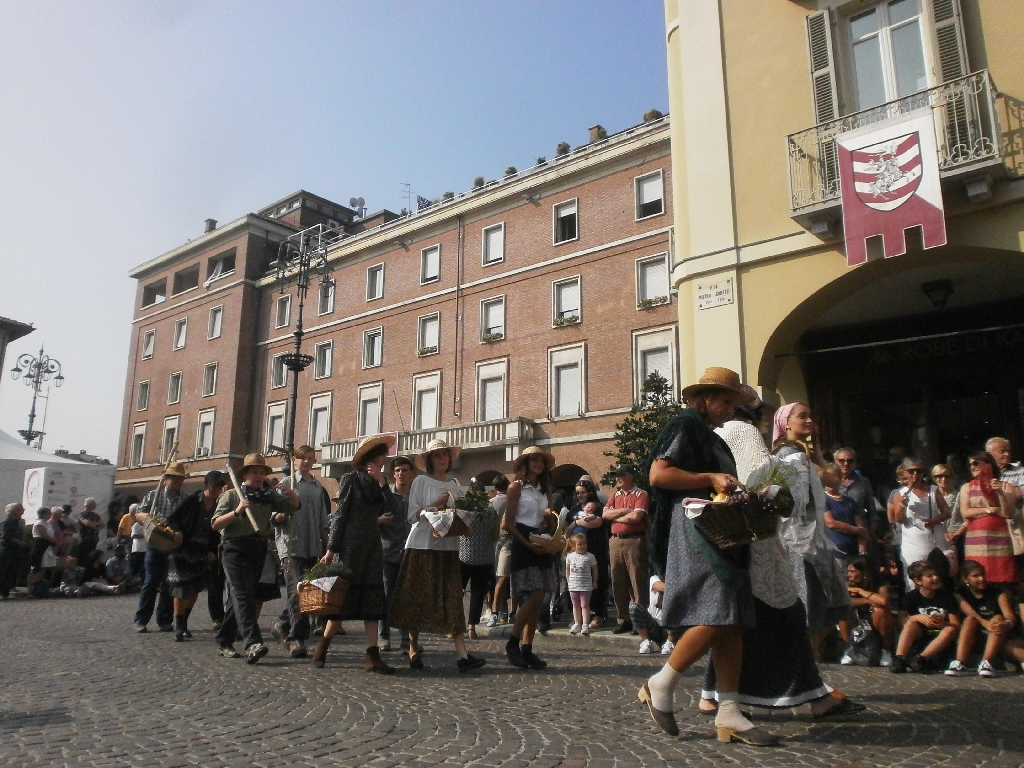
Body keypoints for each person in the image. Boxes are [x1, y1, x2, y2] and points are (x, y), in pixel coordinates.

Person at [639, 367, 779, 746]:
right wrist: (709, 478)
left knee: (732, 620)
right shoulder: (684, 425)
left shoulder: (712, 437)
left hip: (719, 532)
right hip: (695, 532)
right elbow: (658, 475)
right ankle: (661, 682)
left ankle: (729, 711)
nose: (731, 409)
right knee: (719, 612)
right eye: (726, 401)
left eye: (734, 402)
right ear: (704, 399)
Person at [701, 390, 861, 720]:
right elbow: (761, 483)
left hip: (735, 540)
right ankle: (812, 694)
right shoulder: (744, 433)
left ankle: (713, 694)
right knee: (789, 616)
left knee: (738, 623)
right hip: (766, 542)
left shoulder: (714, 434)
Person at [390, 439, 486, 673]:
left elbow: (456, 514)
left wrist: (465, 521)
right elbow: (412, 515)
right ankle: (413, 648)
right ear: (430, 460)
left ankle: (462, 656)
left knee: (453, 600)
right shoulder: (420, 481)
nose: (442, 459)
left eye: (445, 455)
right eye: (437, 455)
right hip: (422, 546)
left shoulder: (454, 484)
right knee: (418, 597)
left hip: (448, 548)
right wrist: (435, 504)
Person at [772, 402, 852, 657]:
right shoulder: (789, 454)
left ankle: (809, 662)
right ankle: (806, 662)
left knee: (820, 606)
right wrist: (813, 459)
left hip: (810, 539)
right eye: (802, 416)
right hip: (797, 540)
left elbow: (833, 479)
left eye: (810, 416)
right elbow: (830, 479)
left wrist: (815, 454)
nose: (809, 420)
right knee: (809, 606)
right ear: (786, 423)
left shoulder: (802, 453)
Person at [312, 436, 397, 673]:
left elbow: (394, 509)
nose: (385, 458)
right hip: (351, 545)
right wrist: (331, 549)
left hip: (372, 545)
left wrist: (383, 482)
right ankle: (322, 646)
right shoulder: (350, 478)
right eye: (383, 454)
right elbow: (341, 515)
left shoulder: (380, 481)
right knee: (343, 600)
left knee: (372, 601)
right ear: (372, 456)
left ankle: (372, 656)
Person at [212, 454, 299, 664]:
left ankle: (224, 640)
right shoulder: (232, 495)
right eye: (254, 472)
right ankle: (253, 643)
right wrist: (237, 511)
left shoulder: (268, 495)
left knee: (242, 596)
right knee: (243, 595)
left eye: (261, 473)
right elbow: (215, 524)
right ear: (245, 474)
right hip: (234, 548)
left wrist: (291, 493)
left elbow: (293, 507)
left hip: (258, 547)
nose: (259, 476)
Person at [501, 446, 559, 671]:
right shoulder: (516, 487)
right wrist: (527, 544)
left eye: (541, 461)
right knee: (535, 594)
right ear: (525, 464)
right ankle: (512, 642)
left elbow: (550, 522)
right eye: (533, 460)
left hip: (541, 539)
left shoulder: (545, 489)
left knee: (539, 597)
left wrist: (550, 521)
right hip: (523, 541)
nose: (538, 464)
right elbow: (507, 524)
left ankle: (527, 647)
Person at [273, 446, 332, 659]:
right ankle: (296, 637)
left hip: (312, 545)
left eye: (310, 458)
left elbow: (323, 519)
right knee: (296, 590)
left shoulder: (317, 487)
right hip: (291, 545)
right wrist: (281, 515)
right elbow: (274, 516)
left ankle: (282, 624)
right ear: (294, 461)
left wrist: (328, 545)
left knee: (306, 593)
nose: (306, 462)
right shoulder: (286, 483)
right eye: (303, 458)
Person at [164, 470, 227, 642]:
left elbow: (218, 531)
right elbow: (173, 519)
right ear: (207, 485)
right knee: (181, 588)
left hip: (202, 551)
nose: (217, 490)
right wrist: (177, 533)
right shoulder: (192, 500)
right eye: (215, 487)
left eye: (220, 487)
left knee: (195, 589)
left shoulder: (219, 505)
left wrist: (212, 550)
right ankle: (179, 626)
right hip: (183, 549)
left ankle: (184, 621)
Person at [133, 462, 188, 632]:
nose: (178, 481)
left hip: (173, 545)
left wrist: (180, 533)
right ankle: (141, 620)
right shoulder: (153, 495)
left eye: (180, 478)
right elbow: (138, 514)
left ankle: (164, 619)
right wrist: (147, 518)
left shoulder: (185, 498)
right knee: (151, 581)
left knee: (169, 583)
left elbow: (187, 522)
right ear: (166, 479)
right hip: (155, 544)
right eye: (174, 478)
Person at [946, 560, 1024, 676]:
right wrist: (984, 622)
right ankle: (960, 663)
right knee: (970, 619)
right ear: (965, 579)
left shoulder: (998, 592)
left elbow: (1010, 616)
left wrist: (1006, 624)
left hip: (999, 633)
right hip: (974, 633)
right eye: (976, 576)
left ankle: (986, 662)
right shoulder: (960, 594)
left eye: (982, 574)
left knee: (997, 618)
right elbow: (971, 613)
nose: (981, 578)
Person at [889, 457, 952, 590]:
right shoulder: (899, 493)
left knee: (938, 577)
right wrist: (902, 506)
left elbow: (947, 512)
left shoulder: (933, 490)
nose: (915, 474)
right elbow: (898, 519)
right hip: (913, 544)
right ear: (904, 472)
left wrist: (934, 520)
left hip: (935, 540)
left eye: (919, 471)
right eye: (911, 471)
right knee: (914, 579)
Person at [602, 464, 649, 634]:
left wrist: (616, 516)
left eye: (621, 475)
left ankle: (640, 621)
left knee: (637, 580)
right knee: (618, 581)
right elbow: (604, 514)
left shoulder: (641, 494)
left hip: (634, 540)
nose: (618, 478)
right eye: (617, 475)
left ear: (630, 476)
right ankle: (623, 619)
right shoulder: (614, 495)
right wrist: (625, 511)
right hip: (615, 540)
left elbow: (636, 516)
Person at [891, 560, 961, 674]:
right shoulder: (911, 597)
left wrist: (944, 624)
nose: (935, 578)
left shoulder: (946, 597)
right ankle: (899, 658)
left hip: (941, 637)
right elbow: (901, 619)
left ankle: (921, 659)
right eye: (930, 576)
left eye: (936, 575)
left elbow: (956, 624)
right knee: (910, 624)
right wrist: (918, 617)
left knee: (950, 629)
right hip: (921, 634)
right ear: (918, 581)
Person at [960, 451, 1016, 587]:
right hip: (976, 542)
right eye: (970, 464)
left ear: (988, 465)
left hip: (999, 541)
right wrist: (991, 510)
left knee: (1002, 578)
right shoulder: (967, 487)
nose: (972, 467)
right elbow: (965, 513)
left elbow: (1007, 513)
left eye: (976, 463)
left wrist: (999, 493)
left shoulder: (1006, 486)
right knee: (977, 574)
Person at [379, 455, 414, 651]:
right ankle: (383, 637)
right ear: (393, 474)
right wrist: (379, 520)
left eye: (404, 470)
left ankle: (406, 638)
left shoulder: (416, 496)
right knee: (385, 596)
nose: (401, 473)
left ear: (411, 473)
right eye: (397, 470)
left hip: (409, 553)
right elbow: (372, 517)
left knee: (406, 597)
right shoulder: (386, 495)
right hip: (387, 551)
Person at [459, 475, 500, 640]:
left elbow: (459, 531)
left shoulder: (465, 512)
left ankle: (455, 624)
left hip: (464, 555)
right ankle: (472, 627)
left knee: (458, 591)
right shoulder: (491, 512)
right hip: (485, 557)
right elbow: (495, 535)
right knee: (477, 593)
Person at [567, 480, 610, 629]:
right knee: (579, 583)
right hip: (577, 554)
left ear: (590, 492)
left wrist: (577, 523)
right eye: (577, 493)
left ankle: (599, 614)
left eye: (583, 492)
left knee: (597, 581)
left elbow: (597, 522)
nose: (580, 495)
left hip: (596, 550)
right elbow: (567, 527)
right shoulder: (574, 509)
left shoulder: (597, 507)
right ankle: (580, 617)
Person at [840, 556, 894, 666]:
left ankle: (886, 651)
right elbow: (845, 601)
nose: (848, 575)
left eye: (852, 571)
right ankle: (849, 650)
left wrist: (860, 591)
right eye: (848, 571)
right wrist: (868, 601)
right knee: (844, 611)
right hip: (856, 621)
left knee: (881, 611)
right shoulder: (848, 583)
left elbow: (883, 601)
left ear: (864, 573)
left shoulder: (881, 585)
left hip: (875, 621)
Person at [985, 438, 1024, 573]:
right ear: (989, 454)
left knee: (1017, 565)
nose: (1007, 454)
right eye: (1002, 451)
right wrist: (1012, 490)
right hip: (991, 527)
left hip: (1013, 526)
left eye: (1008, 451)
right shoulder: (984, 473)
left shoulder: (1020, 471)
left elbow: (1020, 493)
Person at [822, 465, 868, 567]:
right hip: (833, 553)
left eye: (833, 476)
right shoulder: (822, 499)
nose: (830, 480)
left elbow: (861, 528)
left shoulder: (850, 502)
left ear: (840, 479)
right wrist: (856, 530)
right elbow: (830, 522)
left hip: (852, 553)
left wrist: (862, 550)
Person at [487, 474, 515, 627]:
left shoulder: (491, 503)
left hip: (495, 541)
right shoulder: (513, 500)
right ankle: (511, 612)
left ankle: (498, 612)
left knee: (499, 577)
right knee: (512, 578)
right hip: (511, 539)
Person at [630, 575, 673, 654]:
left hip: (670, 629)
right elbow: (663, 587)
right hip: (655, 626)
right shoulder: (655, 578)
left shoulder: (678, 580)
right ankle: (646, 642)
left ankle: (670, 643)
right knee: (634, 607)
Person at [564, 533, 597, 635]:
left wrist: (595, 582)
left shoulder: (590, 556)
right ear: (574, 546)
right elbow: (567, 569)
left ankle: (585, 624)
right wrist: (568, 580)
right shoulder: (570, 556)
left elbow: (595, 570)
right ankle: (577, 623)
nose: (582, 546)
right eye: (579, 544)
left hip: (586, 586)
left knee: (585, 605)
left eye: (584, 543)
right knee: (575, 605)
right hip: (573, 585)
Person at [0, 503, 29, 599]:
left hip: (15, 550)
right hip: (7, 550)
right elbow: (6, 537)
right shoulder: (8, 522)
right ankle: (3, 592)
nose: (23, 510)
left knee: (12, 570)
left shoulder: (18, 522)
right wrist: (19, 542)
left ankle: (7, 591)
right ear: (14, 511)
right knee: (5, 571)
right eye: (21, 509)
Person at [29, 507, 56, 596]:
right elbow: (44, 535)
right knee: (37, 568)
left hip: (47, 547)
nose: (50, 515)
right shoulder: (39, 523)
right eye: (48, 513)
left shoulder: (47, 523)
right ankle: (32, 588)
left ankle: (40, 588)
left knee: (44, 567)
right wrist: (54, 541)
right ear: (44, 514)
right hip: (40, 546)